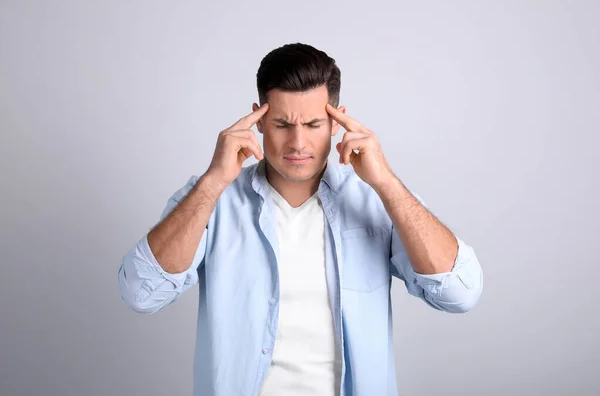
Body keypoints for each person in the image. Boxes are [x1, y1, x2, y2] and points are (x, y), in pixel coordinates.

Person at [117, 42, 483, 396]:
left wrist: (385, 182)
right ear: (257, 119)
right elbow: (140, 293)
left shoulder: (375, 198)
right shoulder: (212, 199)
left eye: (312, 124)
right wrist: (214, 180)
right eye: (281, 124)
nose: (297, 143)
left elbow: (459, 293)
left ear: (337, 122)